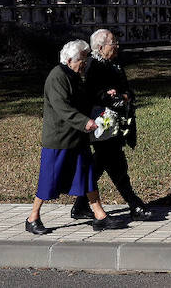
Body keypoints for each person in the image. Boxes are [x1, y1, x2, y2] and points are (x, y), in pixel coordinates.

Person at [24, 39, 119, 234]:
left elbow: (86, 98)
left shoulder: (76, 76)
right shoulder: (56, 77)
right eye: (81, 60)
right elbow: (62, 108)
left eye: (85, 59)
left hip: (77, 138)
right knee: (48, 180)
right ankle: (32, 217)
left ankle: (100, 215)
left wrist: (104, 96)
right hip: (59, 139)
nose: (84, 64)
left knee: (87, 176)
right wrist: (85, 122)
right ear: (69, 60)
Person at [70, 28, 154, 221]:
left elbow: (126, 90)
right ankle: (135, 205)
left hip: (116, 124)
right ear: (100, 47)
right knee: (116, 165)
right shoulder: (92, 66)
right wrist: (113, 97)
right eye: (113, 43)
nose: (117, 46)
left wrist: (124, 96)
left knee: (100, 165)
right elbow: (93, 94)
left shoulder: (114, 63)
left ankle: (80, 205)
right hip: (102, 126)